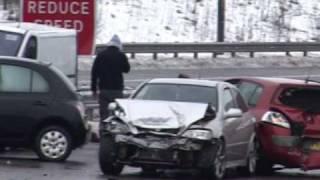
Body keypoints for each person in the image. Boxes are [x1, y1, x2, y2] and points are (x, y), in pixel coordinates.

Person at [91, 35, 130, 121]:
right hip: (117, 89)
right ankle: (115, 131)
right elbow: (127, 69)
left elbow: (94, 73)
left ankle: (103, 131)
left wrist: (93, 89)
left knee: (104, 114)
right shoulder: (121, 55)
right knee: (118, 114)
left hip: (104, 89)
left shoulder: (101, 55)